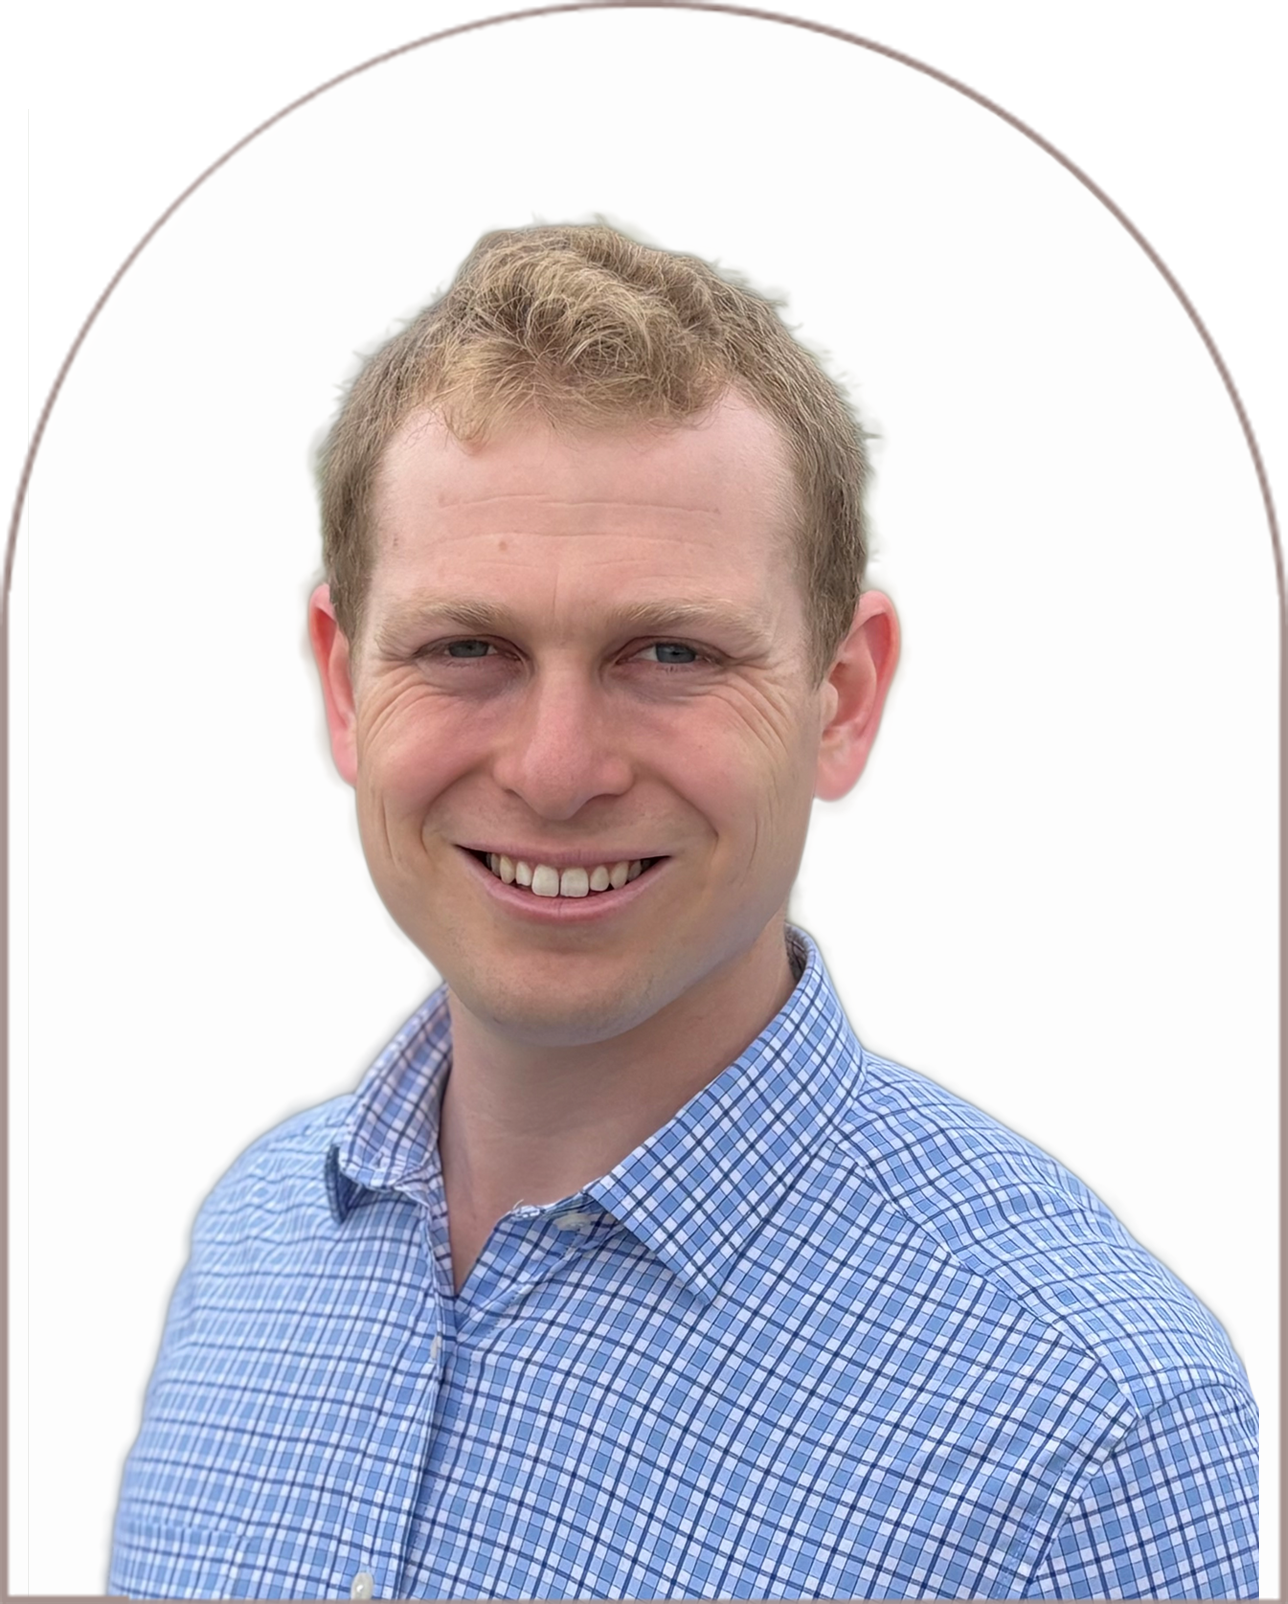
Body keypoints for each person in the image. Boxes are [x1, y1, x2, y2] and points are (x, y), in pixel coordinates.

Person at [107, 218, 1257, 1601]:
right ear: (343, 688)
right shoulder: (257, 1239)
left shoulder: (1096, 1436)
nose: (556, 771)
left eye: (669, 652)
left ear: (844, 700)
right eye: (467, 647)